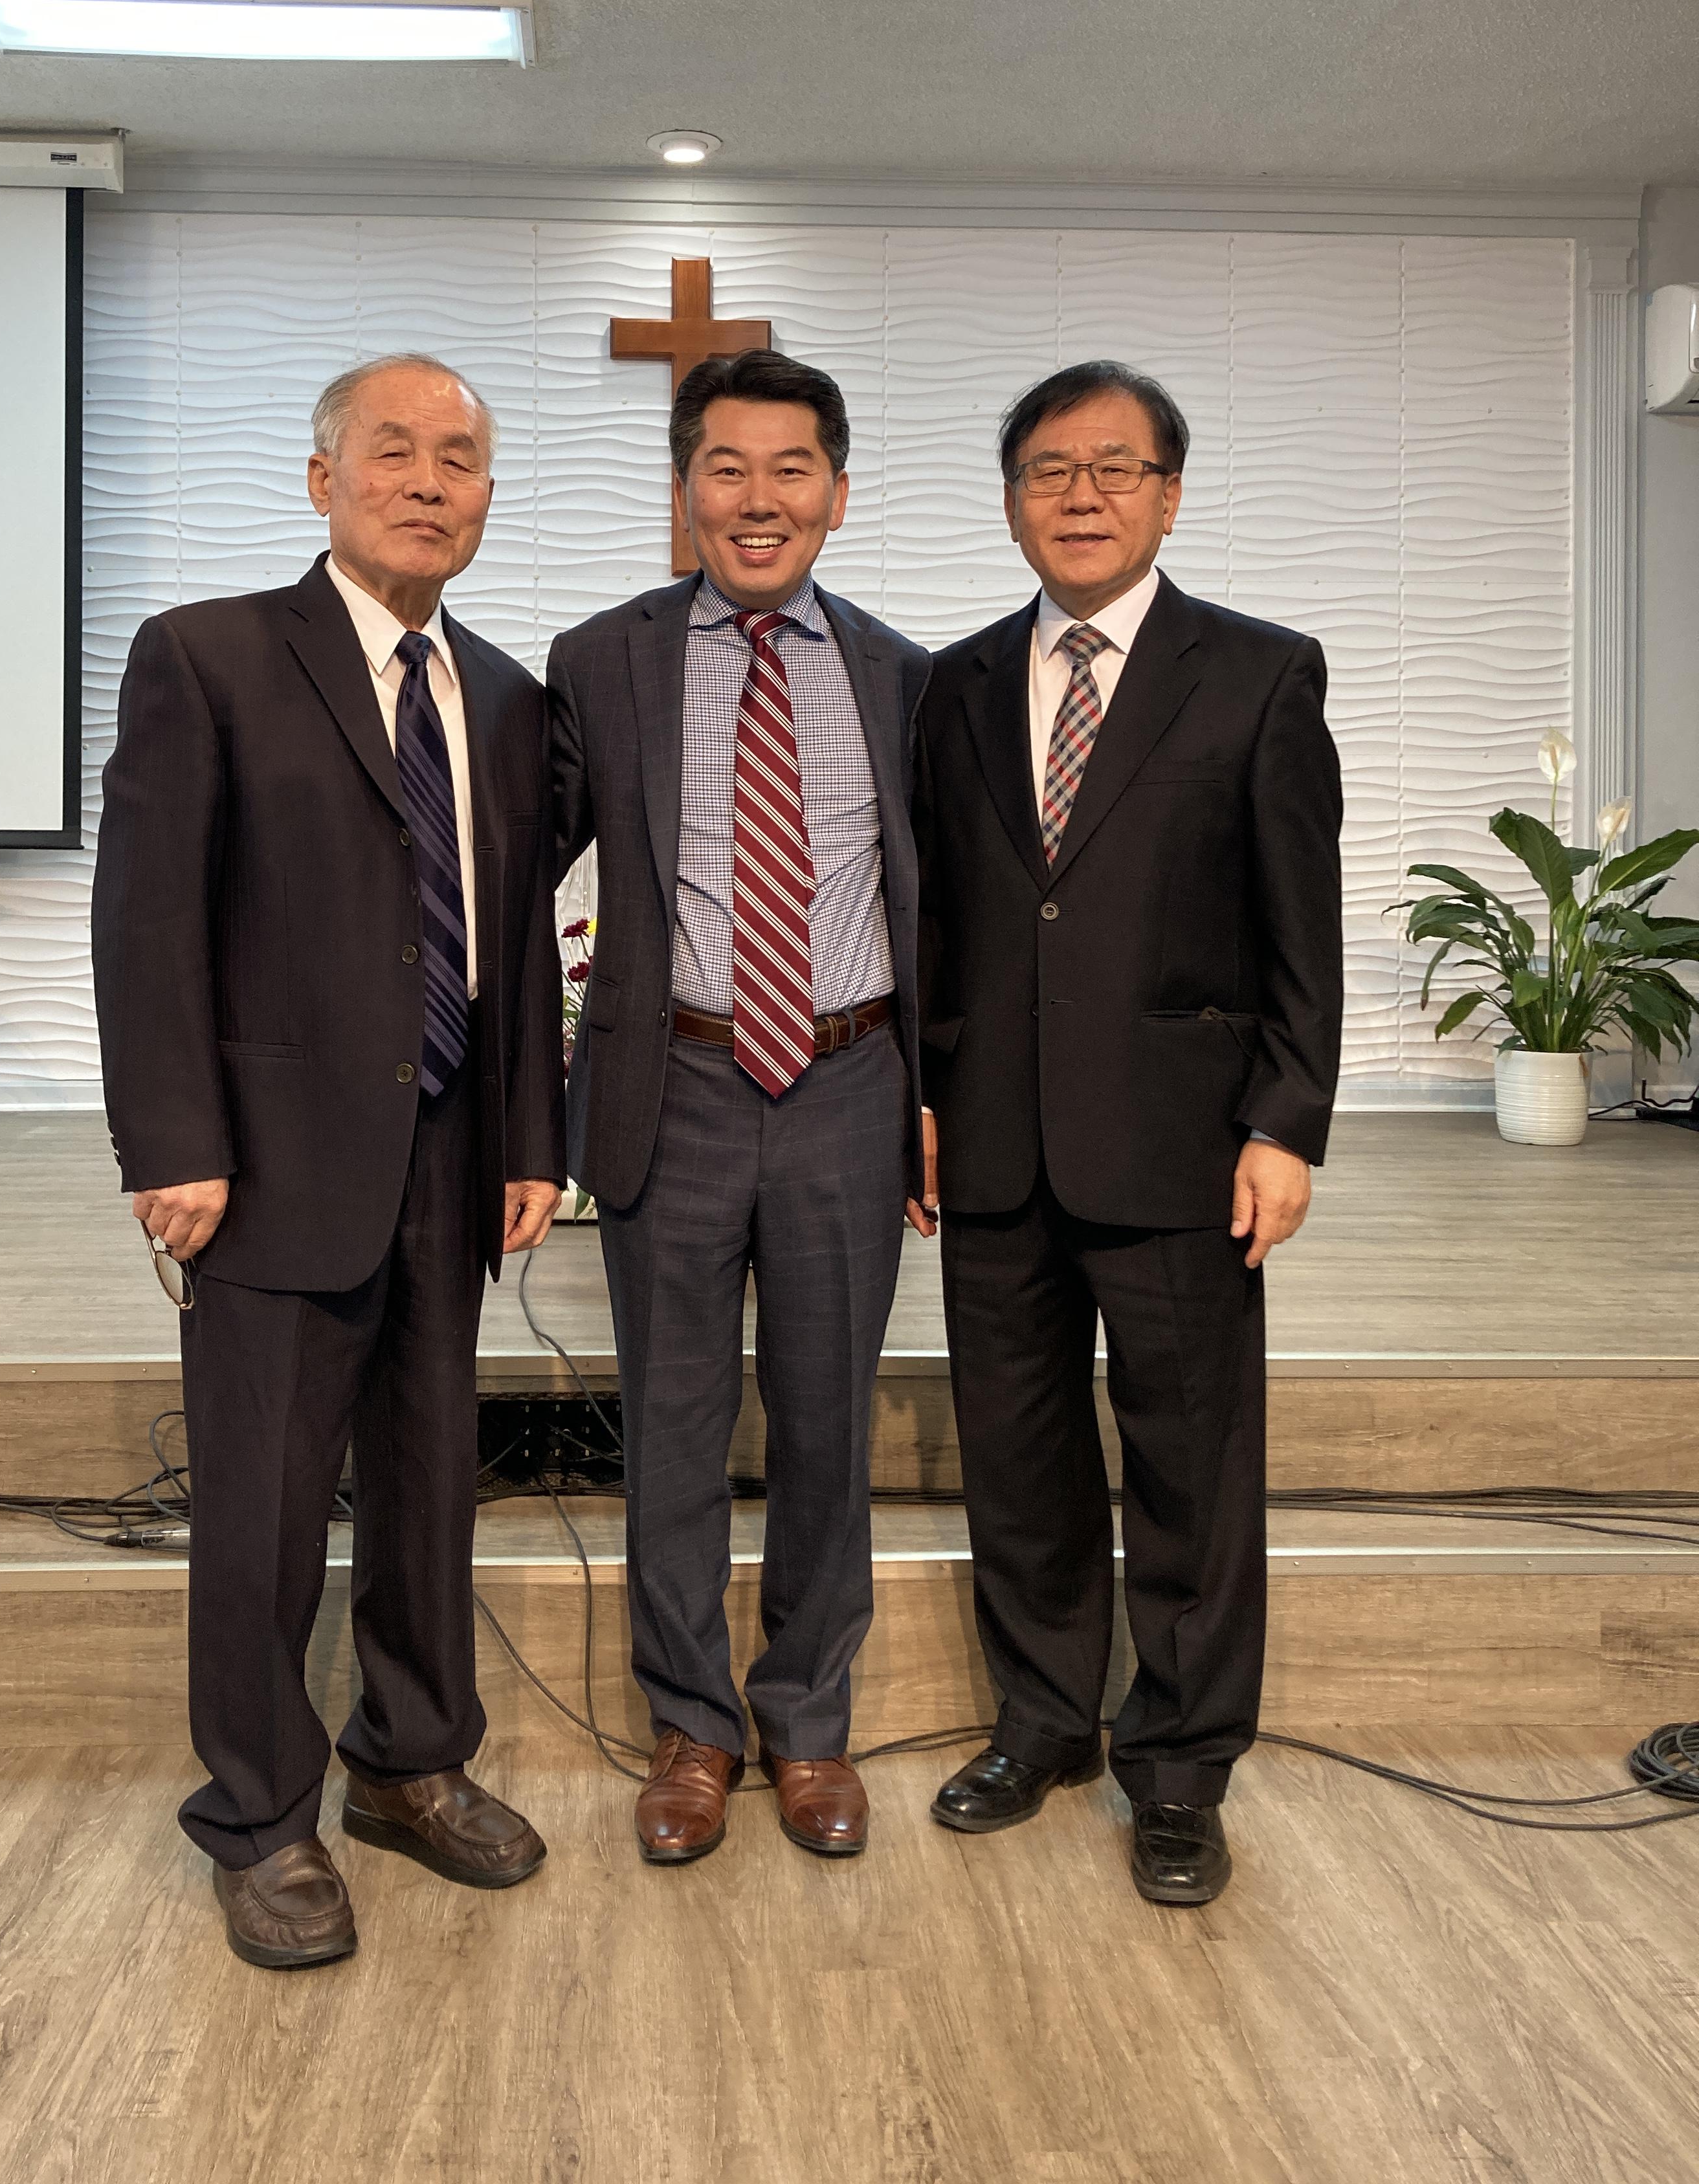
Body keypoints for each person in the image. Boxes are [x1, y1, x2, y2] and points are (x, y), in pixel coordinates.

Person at [91, 353, 566, 1969]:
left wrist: (531, 1137)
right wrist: (175, 1142)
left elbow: (511, 938)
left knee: (430, 1490)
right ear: (322, 479)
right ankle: (259, 1816)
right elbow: (147, 919)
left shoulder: (504, 696)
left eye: (461, 459)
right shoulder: (208, 655)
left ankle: (413, 1766)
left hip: (453, 1149)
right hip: (269, 1162)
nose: (430, 482)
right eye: (395, 451)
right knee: (265, 1511)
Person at [916, 359, 1342, 1906]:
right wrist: (918, 1101)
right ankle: (1044, 1723)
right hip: (992, 1146)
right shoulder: (953, 684)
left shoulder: (1260, 675)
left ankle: (1179, 1768)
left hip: (1184, 1146)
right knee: (1019, 1459)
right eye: (1049, 470)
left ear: (1169, 495)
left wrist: (1287, 1121)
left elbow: (1301, 924)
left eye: (1114, 469)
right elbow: (940, 915)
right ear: (1010, 500)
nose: (1080, 496)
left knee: (1191, 1473)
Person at [546, 349, 933, 1866]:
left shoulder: (904, 674)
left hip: (850, 1080)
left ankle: (809, 1723)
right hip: (679, 1081)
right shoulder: (604, 659)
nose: (758, 498)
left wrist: (941, 1100)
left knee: (829, 1423)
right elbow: (512, 868)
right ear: (686, 487)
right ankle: (692, 1727)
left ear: (837, 491)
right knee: (675, 1425)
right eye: (727, 467)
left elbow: (946, 907)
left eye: (790, 469)